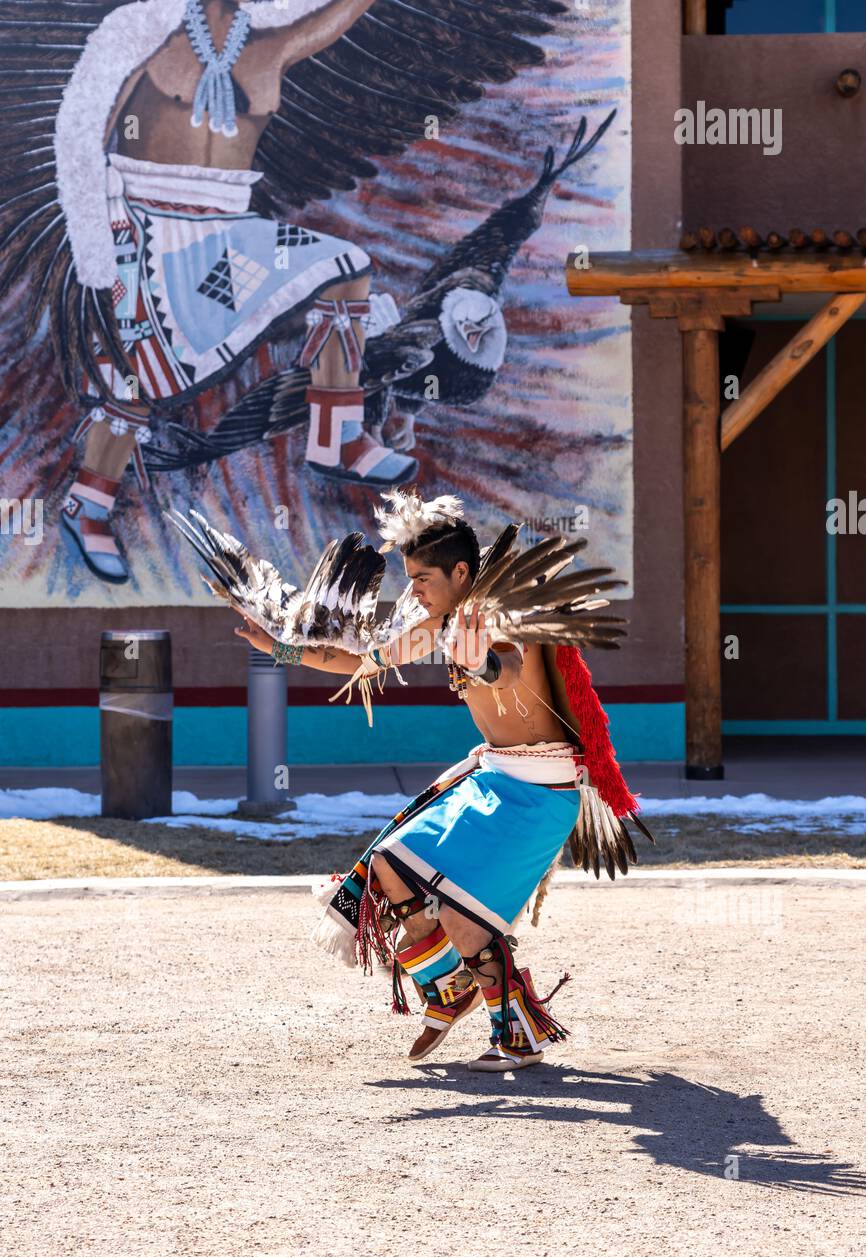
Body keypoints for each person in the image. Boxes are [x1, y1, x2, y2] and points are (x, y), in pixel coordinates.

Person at [235, 492, 648, 1071]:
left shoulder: (500, 615)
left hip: (540, 791)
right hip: (495, 778)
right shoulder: (441, 624)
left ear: (461, 571)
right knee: (388, 864)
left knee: (459, 912)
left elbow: (504, 665)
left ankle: (518, 1035)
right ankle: (450, 987)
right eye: (409, 579)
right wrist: (277, 648)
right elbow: (357, 660)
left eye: (423, 578)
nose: (413, 591)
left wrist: (479, 661)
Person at [57, 0, 417, 583]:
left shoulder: (273, 44)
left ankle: (338, 439)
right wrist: (96, 248)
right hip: (143, 223)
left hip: (231, 233)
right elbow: (81, 133)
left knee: (346, 265)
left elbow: (344, 11)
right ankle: (89, 503)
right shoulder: (142, 34)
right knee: (135, 369)